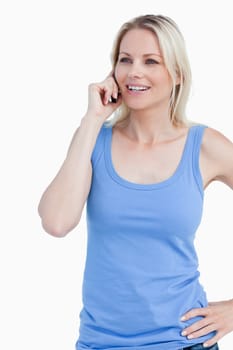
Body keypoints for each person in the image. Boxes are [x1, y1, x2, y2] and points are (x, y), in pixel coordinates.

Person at [38, 14, 233, 350]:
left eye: (151, 61)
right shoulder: (93, 140)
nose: (134, 72)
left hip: (184, 341)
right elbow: (56, 222)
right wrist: (92, 119)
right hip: (101, 343)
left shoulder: (206, 146)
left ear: (177, 75)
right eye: (124, 60)